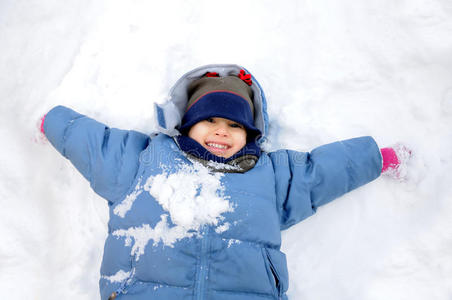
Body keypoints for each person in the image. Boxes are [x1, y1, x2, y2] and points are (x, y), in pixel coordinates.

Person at [40, 64, 410, 300]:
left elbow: (319, 174)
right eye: (210, 121)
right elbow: (93, 142)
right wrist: (52, 123)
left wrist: (376, 158)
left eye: (235, 125)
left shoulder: (270, 175)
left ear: (249, 134)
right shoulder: (141, 159)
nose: (222, 131)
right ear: (186, 123)